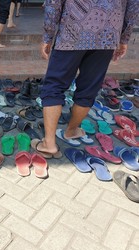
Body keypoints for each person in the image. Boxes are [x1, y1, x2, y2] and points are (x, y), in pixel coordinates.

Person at [33, 0, 139, 157]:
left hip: (72, 32)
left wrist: (48, 36)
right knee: (89, 87)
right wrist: (124, 38)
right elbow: (133, 7)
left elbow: (53, 4)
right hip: (107, 35)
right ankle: (72, 130)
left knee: (55, 85)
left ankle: (49, 143)